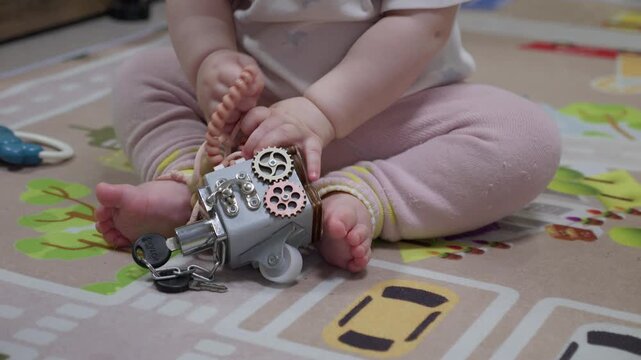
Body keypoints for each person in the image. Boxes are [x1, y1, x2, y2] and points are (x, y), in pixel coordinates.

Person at [94, 0, 561, 273]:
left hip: (392, 117)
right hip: (250, 121)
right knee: (143, 74)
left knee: (523, 134)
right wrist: (209, 59)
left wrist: (322, 112)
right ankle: (193, 185)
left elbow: (421, 26)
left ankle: (361, 195)